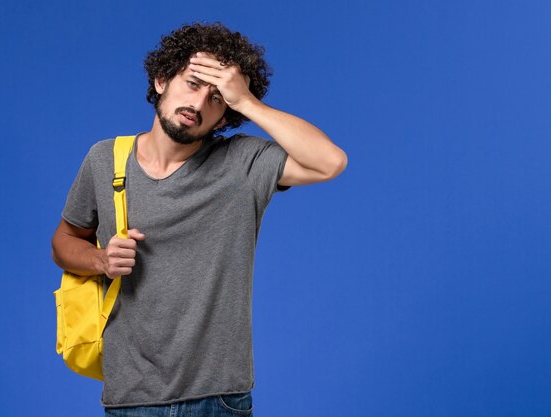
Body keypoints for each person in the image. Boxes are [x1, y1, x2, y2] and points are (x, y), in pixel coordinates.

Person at [52, 22, 347, 416]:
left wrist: (248, 102)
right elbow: (65, 240)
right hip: (132, 396)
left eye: (218, 98)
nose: (199, 103)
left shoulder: (243, 162)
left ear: (225, 117)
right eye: (192, 83)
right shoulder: (105, 160)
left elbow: (331, 162)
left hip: (219, 397)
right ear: (161, 80)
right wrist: (101, 260)